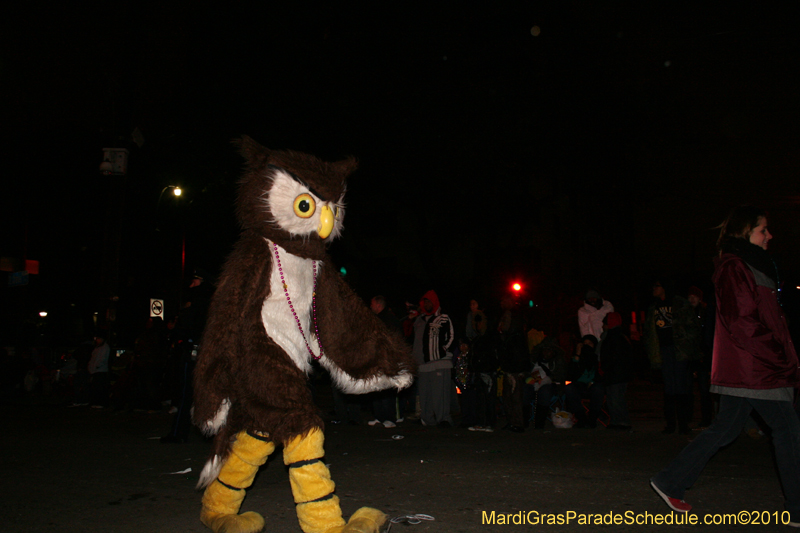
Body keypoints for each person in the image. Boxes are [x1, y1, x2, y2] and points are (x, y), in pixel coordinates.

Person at [651, 206, 800, 524]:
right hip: (756, 368)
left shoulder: (753, 264)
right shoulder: (735, 266)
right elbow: (742, 322)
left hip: (750, 367)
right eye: (763, 229)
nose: (769, 235)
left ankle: (670, 480)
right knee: (787, 430)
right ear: (744, 232)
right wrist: (780, 357)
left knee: (727, 428)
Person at [645, 279, 696, 435]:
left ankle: (683, 424)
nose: (654, 288)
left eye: (657, 286)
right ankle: (671, 424)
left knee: (680, 386)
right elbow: (649, 332)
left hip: (678, 349)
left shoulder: (679, 303)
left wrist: (687, 347)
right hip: (664, 350)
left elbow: (691, 326)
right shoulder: (653, 307)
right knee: (669, 387)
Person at [412, 290, 455, 427]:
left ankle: (444, 419)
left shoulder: (443, 318)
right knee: (425, 393)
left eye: (429, 301)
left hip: (439, 363)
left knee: (440, 393)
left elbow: (452, 336)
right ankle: (427, 418)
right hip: (422, 363)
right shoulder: (419, 320)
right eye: (425, 302)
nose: (427, 304)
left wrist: (441, 351)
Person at [367, 296, 402, 427]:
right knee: (376, 387)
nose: (370, 306)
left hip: (387, 358)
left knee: (386, 388)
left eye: (372, 303)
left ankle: (389, 418)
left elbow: (396, 339)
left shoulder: (389, 320)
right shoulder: (376, 319)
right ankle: (379, 416)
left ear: (378, 305)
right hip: (376, 358)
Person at [598, 312, 633, 430]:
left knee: (616, 399)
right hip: (616, 374)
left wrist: (606, 368)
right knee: (613, 399)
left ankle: (622, 422)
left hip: (616, 374)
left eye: (605, 324)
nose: (603, 326)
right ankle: (616, 422)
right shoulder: (618, 337)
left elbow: (613, 357)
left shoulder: (613, 338)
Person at [564, 335, 605, 429]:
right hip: (579, 386)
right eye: (584, 344)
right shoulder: (577, 358)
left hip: (593, 386)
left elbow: (601, 374)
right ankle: (581, 418)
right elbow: (570, 374)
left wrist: (594, 381)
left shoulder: (597, 357)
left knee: (598, 388)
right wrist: (577, 355)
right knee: (569, 388)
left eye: (589, 344)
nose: (586, 346)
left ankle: (592, 418)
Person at [87, 334, 110, 408]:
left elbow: (103, 359)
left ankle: (101, 403)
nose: (97, 340)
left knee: (100, 387)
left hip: (100, 370)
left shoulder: (105, 347)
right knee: (95, 387)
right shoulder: (97, 347)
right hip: (95, 370)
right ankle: (96, 402)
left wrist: (96, 366)